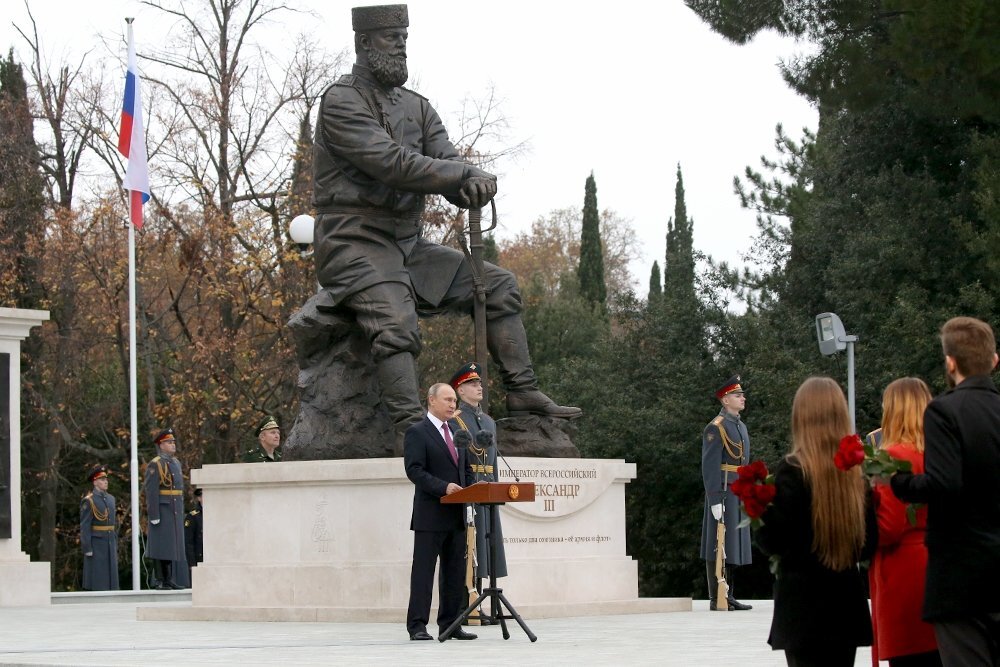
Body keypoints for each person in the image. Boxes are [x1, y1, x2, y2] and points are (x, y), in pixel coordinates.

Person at [312, 4, 580, 446]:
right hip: (352, 240)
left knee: (498, 286)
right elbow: (392, 163)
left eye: (404, 37)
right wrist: (458, 175)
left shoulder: (419, 107)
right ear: (364, 43)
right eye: (390, 37)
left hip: (408, 246)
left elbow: (446, 158)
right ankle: (408, 429)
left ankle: (522, 392)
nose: (400, 44)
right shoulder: (341, 100)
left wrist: (470, 183)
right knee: (396, 320)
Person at [891, 316, 1000, 666]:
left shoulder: (944, 411)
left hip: (960, 575)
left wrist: (899, 482)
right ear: (994, 360)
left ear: (950, 362)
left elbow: (944, 483)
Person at [757, 376, 877, 667]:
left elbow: (773, 542)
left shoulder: (792, 471)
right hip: (844, 603)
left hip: (802, 607)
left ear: (801, 418)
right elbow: (868, 545)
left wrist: (759, 510)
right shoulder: (854, 474)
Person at [870, 378, 941, 667]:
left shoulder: (892, 457)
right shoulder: (940, 453)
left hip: (901, 568)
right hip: (938, 559)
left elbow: (889, 527)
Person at [403, 382, 476, 641]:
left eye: (454, 401)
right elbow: (415, 471)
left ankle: (451, 624)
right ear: (431, 400)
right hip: (430, 515)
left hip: (456, 515)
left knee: (454, 572)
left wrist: (472, 489)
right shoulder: (417, 432)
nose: (452, 405)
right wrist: (444, 487)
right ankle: (418, 626)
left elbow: (465, 468)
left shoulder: (458, 431)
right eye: (447, 400)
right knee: (423, 572)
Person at [448, 362, 506, 624]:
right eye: (472, 384)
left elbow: (492, 460)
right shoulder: (454, 421)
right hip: (469, 489)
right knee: (469, 549)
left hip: (488, 489)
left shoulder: (489, 422)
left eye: (480, 383)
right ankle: (467, 606)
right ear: (460, 391)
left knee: (486, 547)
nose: (479, 387)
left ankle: (482, 603)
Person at [700, 374, 752, 611]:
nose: (742, 398)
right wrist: (714, 498)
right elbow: (709, 466)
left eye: (741, 394)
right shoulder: (715, 427)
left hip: (738, 487)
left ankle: (729, 595)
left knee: (733, 543)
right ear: (725, 400)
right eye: (736, 395)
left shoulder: (739, 425)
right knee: (717, 541)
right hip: (722, 488)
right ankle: (716, 597)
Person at [144, 428, 188, 590]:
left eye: (173, 442)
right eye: (169, 442)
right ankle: (160, 579)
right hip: (162, 509)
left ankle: (169, 578)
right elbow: (151, 491)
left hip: (175, 508)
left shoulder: (175, 463)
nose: (173, 444)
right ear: (161, 445)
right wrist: (154, 514)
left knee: (171, 545)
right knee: (160, 546)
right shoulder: (155, 464)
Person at [80, 464, 118, 591]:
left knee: (111, 576)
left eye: (106, 479)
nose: (106, 481)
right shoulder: (89, 501)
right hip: (96, 543)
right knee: (98, 577)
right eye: (102, 479)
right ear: (95, 482)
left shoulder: (111, 499)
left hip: (109, 541)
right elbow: (85, 527)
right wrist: (87, 548)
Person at [185, 488, 204, 582]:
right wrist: (192, 563)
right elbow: (188, 542)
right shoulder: (193, 516)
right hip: (199, 558)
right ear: (199, 498)